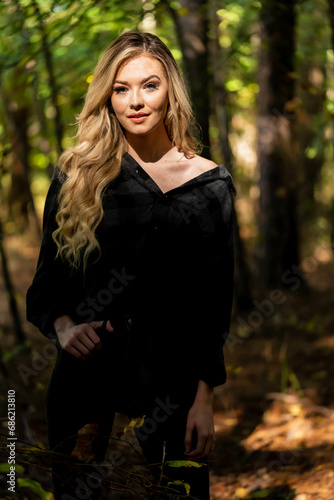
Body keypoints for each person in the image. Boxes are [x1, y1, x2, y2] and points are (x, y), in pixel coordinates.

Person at [26, 31, 236, 500]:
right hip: (86, 381)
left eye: (149, 85)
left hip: (173, 384)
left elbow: (213, 305)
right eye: (121, 88)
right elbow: (45, 287)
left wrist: (205, 397)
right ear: (107, 98)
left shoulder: (211, 185)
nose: (135, 101)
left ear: (170, 93)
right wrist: (62, 328)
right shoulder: (78, 175)